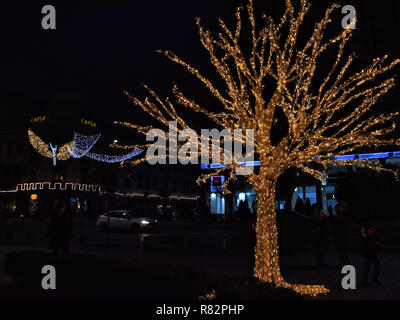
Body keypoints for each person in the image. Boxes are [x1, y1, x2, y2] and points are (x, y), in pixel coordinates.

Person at [311, 204, 329, 268]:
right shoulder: (315, 216)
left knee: (320, 249)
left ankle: (320, 263)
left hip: (320, 234)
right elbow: (317, 224)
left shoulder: (318, 216)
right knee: (319, 249)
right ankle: (319, 263)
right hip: (318, 235)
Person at [334, 201, 350, 268]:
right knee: (343, 249)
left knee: (342, 249)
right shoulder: (344, 214)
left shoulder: (342, 214)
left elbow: (339, 222)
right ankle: (346, 263)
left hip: (342, 233)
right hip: (343, 233)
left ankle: (343, 263)